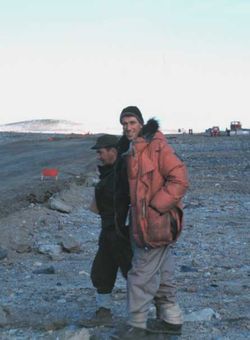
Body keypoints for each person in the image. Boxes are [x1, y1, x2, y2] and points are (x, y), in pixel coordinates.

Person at [113, 106, 189, 338]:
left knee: (140, 273)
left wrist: (157, 207)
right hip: (145, 223)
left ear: (141, 124)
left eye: (132, 123)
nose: (128, 128)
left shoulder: (156, 146)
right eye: (124, 124)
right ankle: (171, 319)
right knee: (163, 271)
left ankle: (136, 325)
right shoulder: (132, 150)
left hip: (155, 223)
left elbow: (180, 178)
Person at [82, 134, 132, 327]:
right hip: (109, 231)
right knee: (102, 270)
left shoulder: (122, 171)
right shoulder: (109, 172)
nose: (99, 157)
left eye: (101, 152)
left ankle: (148, 317)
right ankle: (103, 312)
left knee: (135, 274)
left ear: (113, 151)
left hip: (122, 232)